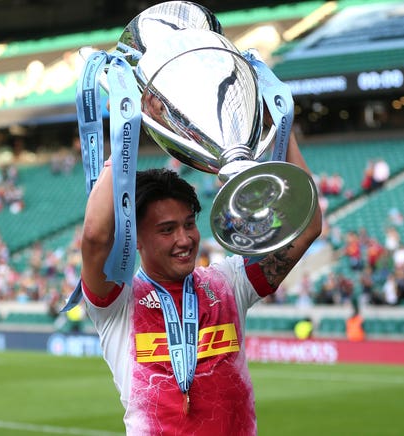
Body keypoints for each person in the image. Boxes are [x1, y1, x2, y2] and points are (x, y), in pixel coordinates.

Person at [78, 132, 321, 435]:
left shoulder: (228, 283)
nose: (185, 239)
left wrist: (284, 130)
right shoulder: (118, 302)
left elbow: (306, 225)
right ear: (136, 238)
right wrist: (125, 130)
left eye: (189, 224)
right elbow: (94, 237)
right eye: (167, 230)